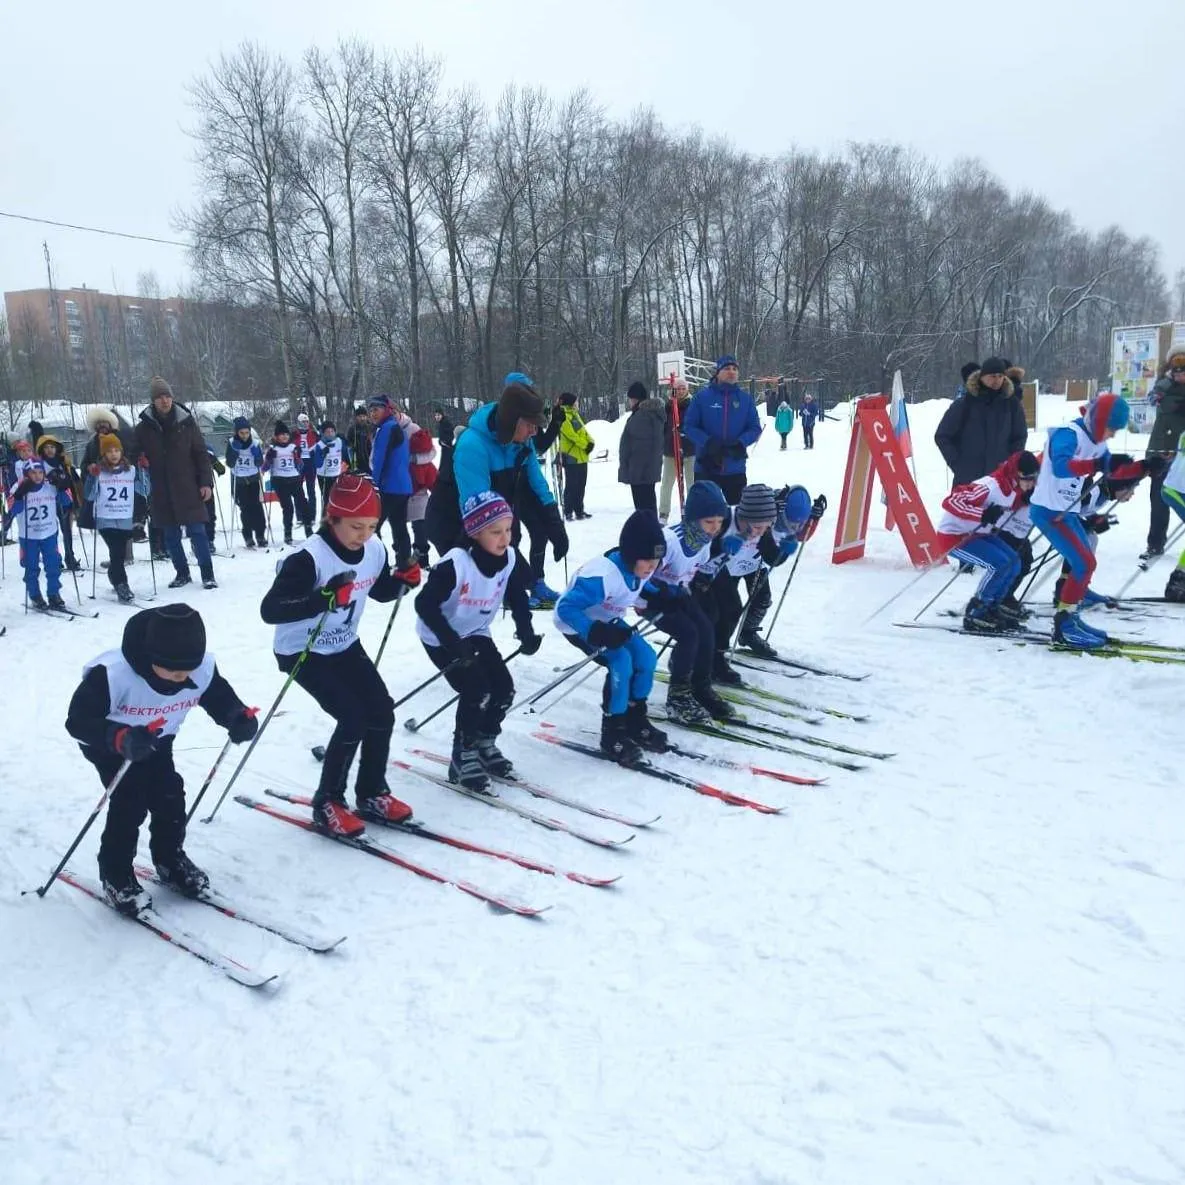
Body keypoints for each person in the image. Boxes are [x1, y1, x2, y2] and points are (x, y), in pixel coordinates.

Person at [64, 604, 258, 914]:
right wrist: (119, 738)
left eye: (188, 672)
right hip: (111, 744)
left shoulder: (198, 668)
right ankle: (116, 874)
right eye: (174, 672)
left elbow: (218, 696)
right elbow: (78, 721)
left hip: (156, 741)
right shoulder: (113, 674)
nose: (183, 679)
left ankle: (169, 858)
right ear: (151, 657)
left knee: (170, 794)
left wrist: (237, 717)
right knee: (131, 799)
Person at [260, 473, 416, 836]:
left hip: (343, 643)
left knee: (381, 711)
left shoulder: (375, 549)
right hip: (303, 649)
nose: (363, 534)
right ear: (332, 519)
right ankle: (328, 801)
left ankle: (372, 792)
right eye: (356, 526)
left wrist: (402, 582)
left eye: (372, 526)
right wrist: (322, 598)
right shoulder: (308, 558)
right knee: (353, 716)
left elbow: (377, 590)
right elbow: (271, 609)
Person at [415, 492, 541, 790]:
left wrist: (525, 630)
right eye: (495, 532)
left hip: (475, 631)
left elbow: (515, 595)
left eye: (508, 530)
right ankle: (463, 755)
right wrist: (452, 645)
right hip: (441, 636)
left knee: (504, 689)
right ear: (475, 532)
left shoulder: (507, 558)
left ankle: (485, 742)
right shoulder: (456, 564)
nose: (504, 539)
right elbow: (424, 605)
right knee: (475, 689)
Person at [424, 377, 569, 608]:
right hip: (453, 526)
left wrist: (554, 522)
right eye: (530, 424)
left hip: (492, 514)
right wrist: (521, 577)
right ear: (512, 421)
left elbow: (537, 482)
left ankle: (528, 586)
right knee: (472, 594)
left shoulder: (522, 442)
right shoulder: (473, 446)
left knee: (512, 543)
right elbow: (480, 519)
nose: (535, 431)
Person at [1029, 393, 1152, 649]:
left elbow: (1110, 468)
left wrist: (1144, 467)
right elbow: (1061, 467)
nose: (1112, 435)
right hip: (1048, 511)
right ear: (1098, 420)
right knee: (1084, 563)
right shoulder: (1068, 434)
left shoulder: (1096, 441)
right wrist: (1099, 463)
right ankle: (1064, 626)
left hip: (1066, 511)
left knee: (1085, 562)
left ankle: (1069, 617)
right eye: (1111, 429)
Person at [554, 509, 669, 766]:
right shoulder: (601, 576)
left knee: (647, 658)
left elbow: (641, 585)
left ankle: (635, 718)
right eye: (648, 560)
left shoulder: (639, 569)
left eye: (657, 561)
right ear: (631, 555)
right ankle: (613, 732)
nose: (653, 567)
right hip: (579, 625)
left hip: (608, 621)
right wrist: (595, 631)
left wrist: (666, 595)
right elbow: (566, 608)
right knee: (621, 662)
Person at [639, 480, 731, 724]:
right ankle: (678, 698)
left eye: (720, 522)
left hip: (677, 594)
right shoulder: (669, 541)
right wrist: (662, 593)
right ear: (693, 519)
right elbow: (641, 578)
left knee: (706, 629)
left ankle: (700, 686)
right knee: (689, 634)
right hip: (649, 599)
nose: (715, 528)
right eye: (709, 522)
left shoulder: (704, 542)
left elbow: (689, 575)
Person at [935, 451, 1039, 633]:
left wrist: (1023, 501)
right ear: (1016, 473)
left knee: (1014, 562)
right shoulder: (990, 486)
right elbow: (952, 501)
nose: (1031, 484)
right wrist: (982, 514)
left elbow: (1007, 504)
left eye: (1034, 478)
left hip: (980, 534)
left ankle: (993, 606)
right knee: (1000, 564)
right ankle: (977, 610)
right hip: (954, 536)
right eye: (1027, 478)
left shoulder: (1013, 489)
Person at [134, 377, 218, 590]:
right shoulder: (143, 428)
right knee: (171, 535)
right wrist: (139, 458)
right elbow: (133, 452)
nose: (164, 401)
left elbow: (200, 454)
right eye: (160, 397)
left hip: (188, 486)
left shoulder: (187, 422)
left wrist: (206, 483)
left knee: (198, 531)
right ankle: (182, 573)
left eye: (167, 396)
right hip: (161, 489)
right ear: (153, 401)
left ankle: (207, 573)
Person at [695, 482, 779, 684]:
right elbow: (696, 549)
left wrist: (785, 544)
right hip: (709, 572)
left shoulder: (762, 528)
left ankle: (718, 658)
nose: (761, 531)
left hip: (742, 567)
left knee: (734, 610)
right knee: (715, 614)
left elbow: (772, 559)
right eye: (758, 527)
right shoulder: (722, 521)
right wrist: (721, 547)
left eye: (766, 527)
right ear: (743, 517)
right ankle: (700, 659)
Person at [734, 484, 827, 656]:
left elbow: (800, 536)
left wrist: (813, 520)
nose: (791, 527)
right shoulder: (771, 506)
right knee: (727, 605)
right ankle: (713, 639)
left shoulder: (795, 514)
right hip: (734, 558)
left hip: (756, 562)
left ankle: (748, 633)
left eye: (796, 524)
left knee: (762, 599)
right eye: (788, 522)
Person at [934, 357, 1029, 488]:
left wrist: (1010, 465)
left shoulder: (1012, 405)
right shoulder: (965, 404)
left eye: (1000, 376)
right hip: (968, 481)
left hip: (1000, 481)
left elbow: (1019, 437)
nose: (997, 380)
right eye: (992, 376)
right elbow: (943, 435)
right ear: (982, 377)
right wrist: (958, 464)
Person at [682, 355, 762, 503]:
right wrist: (707, 442)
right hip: (706, 467)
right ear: (717, 372)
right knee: (705, 516)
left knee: (735, 517)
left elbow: (755, 428)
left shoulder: (745, 399)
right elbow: (689, 426)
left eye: (735, 369)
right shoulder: (702, 397)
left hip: (735, 468)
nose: (732, 372)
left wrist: (740, 442)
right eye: (727, 368)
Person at [84, 433, 150, 603]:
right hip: (105, 518)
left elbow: (144, 490)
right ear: (103, 454)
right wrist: (92, 477)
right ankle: (122, 584)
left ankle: (114, 575)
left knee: (119, 555)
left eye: (116, 450)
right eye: (109, 451)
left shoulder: (131, 471)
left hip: (124, 517)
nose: (114, 454)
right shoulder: (100, 472)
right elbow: (89, 496)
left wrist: (145, 471)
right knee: (117, 551)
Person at [1142, 346, 1185, 561]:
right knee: (1158, 498)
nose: (1180, 373)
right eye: (1176, 367)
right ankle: (1155, 543)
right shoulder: (1162, 386)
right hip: (1161, 448)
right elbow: (1153, 401)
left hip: (1181, 453)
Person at [368, 394, 417, 577]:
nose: (373, 413)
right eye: (371, 410)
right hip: (402, 487)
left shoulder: (387, 428)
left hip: (389, 487)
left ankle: (379, 564)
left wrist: (374, 485)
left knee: (372, 527)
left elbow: (380, 460)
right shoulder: (396, 428)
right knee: (399, 526)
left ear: (386, 410)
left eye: (376, 409)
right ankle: (404, 562)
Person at [10, 460, 69, 610]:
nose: (37, 476)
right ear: (26, 474)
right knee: (31, 567)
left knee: (54, 564)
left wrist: (61, 487)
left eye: (40, 472)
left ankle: (53, 593)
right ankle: (35, 594)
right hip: (29, 536)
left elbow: (66, 502)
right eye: (33, 473)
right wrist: (18, 496)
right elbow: (12, 511)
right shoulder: (19, 487)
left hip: (49, 532)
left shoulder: (50, 486)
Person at [35, 433, 83, 571]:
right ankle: (54, 559)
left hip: (63, 500)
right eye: (46, 447)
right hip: (47, 502)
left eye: (52, 447)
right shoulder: (39, 465)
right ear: (42, 450)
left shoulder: (64, 463)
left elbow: (72, 481)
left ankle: (70, 557)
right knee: (51, 532)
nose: (50, 450)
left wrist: (62, 480)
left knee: (66, 531)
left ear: (57, 449)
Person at [262, 420, 313, 545]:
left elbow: (299, 465)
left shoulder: (293, 447)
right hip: (280, 480)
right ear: (276, 436)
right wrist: (269, 459)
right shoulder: (273, 449)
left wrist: (297, 457)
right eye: (281, 434)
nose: (285, 436)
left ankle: (308, 529)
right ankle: (288, 533)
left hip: (294, 478)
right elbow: (265, 468)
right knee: (288, 507)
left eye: (286, 434)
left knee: (303, 504)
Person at [618, 381, 665, 511]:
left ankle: (647, 528)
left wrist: (631, 466)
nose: (629, 402)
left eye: (630, 399)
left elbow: (638, 445)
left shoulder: (642, 416)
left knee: (642, 504)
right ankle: (649, 526)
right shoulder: (649, 414)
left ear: (635, 399)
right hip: (646, 468)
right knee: (648, 500)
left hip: (640, 470)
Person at [225, 417, 267, 549]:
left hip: (253, 478)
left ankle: (260, 535)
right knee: (245, 508)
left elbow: (260, 463)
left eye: (246, 433)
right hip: (239, 480)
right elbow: (229, 463)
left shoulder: (255, 443)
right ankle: (248, 537)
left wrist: (257, 455)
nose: (244, 436)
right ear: (237, 432)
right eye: (241, 433)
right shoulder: (232, 443)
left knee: (257, 508)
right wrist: (234, 453)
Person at [659, 379, 695, 523]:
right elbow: (662, 426)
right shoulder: (668, 406)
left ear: (687, 389)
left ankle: (692, 511)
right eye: (677, 388)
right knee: (667, 483)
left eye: (682, 388)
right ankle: (663, 513)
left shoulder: (693, 405)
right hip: (670, 450)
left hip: (690, 449)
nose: (680, 391)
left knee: (691, 482)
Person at [557, 392, 594, 521]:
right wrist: (585, 445)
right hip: (572, 456)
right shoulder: (563, 416)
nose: (577, 404)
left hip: (582, 456)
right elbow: (571, 435)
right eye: (576, 402)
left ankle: (579, 510)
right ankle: (568, 511)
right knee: (571, 485)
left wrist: (591, 442)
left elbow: (583, 431)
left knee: (581, 485)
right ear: (570, 403)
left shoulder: (575, 415)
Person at [407, 424, 438, 568]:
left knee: (407, 529)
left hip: (407, 497)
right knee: (420, 529)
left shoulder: (406, 463)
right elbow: (434, 483)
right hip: (421, 499)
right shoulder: (427, 465)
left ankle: (411, 557)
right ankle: (422, 559)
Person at [313, 420, 352, 508]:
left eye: (332, 431)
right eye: (327, 432)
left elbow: (345, 455)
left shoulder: (339, 441)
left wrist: (348, 467)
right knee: (327, 499)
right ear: (323, 433)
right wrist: (323, 454)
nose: (330, 434)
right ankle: (326, 518)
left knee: (338, 497)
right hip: (324, 476)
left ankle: (337, 517)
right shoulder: (319, 445)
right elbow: (317, 464)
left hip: (336, 475)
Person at [294, 412, 319, 521]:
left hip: (310, 462)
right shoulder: (293, 434)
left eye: (307, 421)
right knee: (297, 490)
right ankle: (300, 516)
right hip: (299, 462)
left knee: (311, 490)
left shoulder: (313, 433)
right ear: (299, 422)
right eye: (303, 422)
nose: (306, 424)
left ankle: (312, 515)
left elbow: (321, 444)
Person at [346, 406, 372, 475]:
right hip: (357, 461)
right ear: (356, 417)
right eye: (360, 416)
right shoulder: (352, 429)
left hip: (370, 460)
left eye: (364, 416)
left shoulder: (370, 428)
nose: (362, 418)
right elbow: (348, 444)